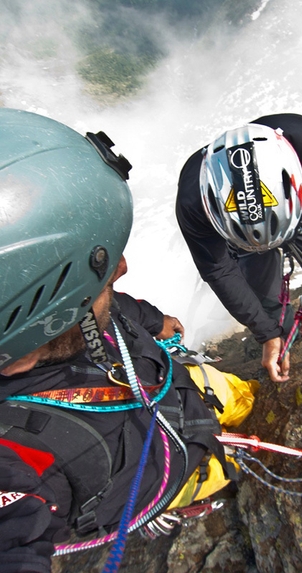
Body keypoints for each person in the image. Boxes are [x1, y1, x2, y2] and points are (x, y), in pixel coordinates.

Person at [0, 109, 238, 573]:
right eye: (102, 279)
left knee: (237, 393)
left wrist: (157, 322)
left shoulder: (60, 320)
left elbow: (116, 308)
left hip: (182, 388)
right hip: (169, 471)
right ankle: (181, 505)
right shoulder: (14, 458)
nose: (122, 268)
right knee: (213, 474)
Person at [176, 113, 302, 383]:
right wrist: (267, 333)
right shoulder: (194, 199)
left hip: (301, 215)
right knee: (264, 293)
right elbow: (219, 269)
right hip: (245, 235)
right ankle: (283, 342)